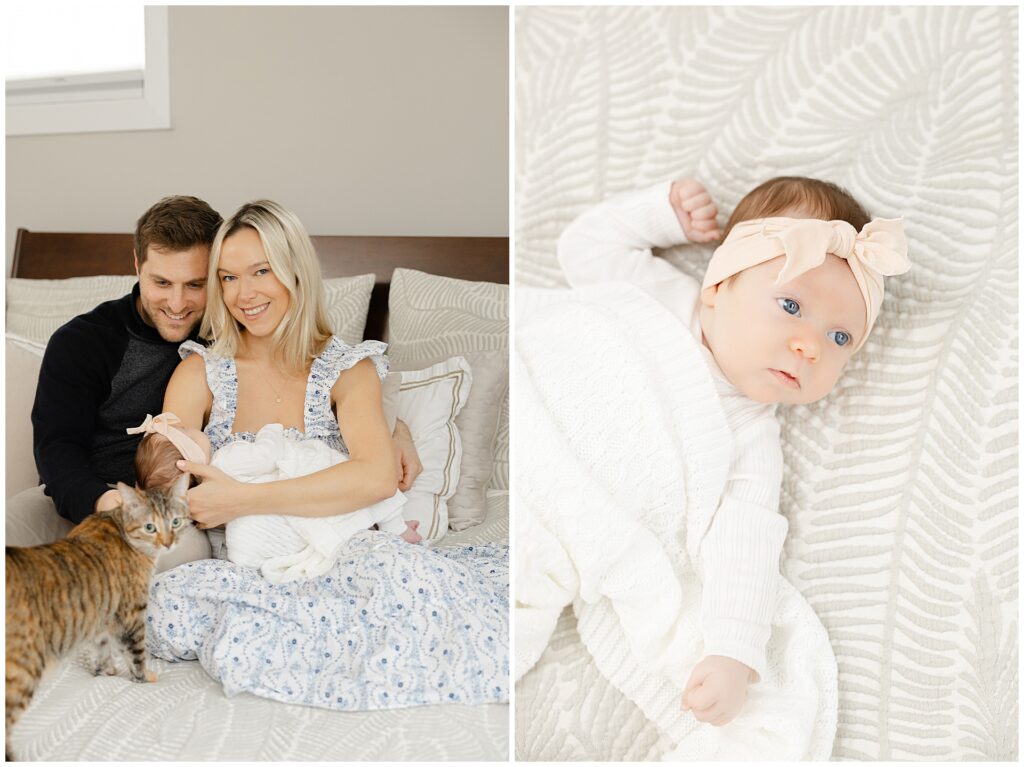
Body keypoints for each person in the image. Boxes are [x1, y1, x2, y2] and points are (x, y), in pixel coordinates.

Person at [550, 176, 910, 727]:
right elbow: (585, 249)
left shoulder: (750, 434)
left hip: (573, 510)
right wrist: (663, 214)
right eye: (791, 304)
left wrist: (733, 652)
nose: (810, 345)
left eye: (841, 338)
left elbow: (745, 540)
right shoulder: (663, 299)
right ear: (717, 288)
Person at [143, 200, 508, 712]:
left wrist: (244, 499)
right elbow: (170, 476)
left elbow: (377, 478)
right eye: (227, 278)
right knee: (163, 604)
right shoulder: (201, 371)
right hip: (248, 566)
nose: (243, 294)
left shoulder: (346, 370)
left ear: (295, 271)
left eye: (261, 272)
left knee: (411, 594)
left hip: (340, 553)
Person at [7, 196, 423, 575]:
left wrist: (392, 427)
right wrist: (111, 505)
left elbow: (368, 459)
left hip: (194, 525)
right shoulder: (92, 343)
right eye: (161, 283)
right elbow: (58, 450)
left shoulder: (232, 331)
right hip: (92, 498)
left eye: (196, 284)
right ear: (137, 266)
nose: (177, 303)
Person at [131, 412, 423, 584]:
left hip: (257, 541)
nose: (190, 427)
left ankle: (383, 535)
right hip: (296, 507)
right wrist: (270, 432)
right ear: (190, 459)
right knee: (325, 470)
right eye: (187, 433)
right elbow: (266, 454)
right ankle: (395, 530)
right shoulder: (227, 458)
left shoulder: (203, 496)